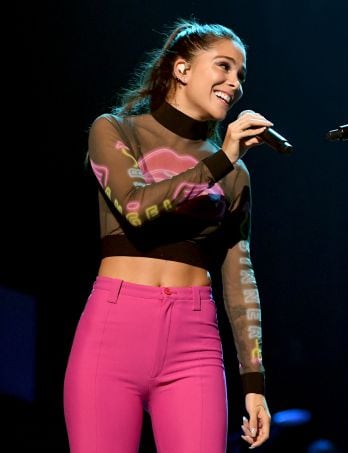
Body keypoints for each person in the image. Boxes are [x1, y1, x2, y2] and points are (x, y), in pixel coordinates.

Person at [64, 19, 272, 452]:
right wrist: (224, 159)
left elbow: (239, 278)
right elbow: (135, 208)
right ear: (181, 69)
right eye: (224, 67)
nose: (234, 84)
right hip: (114, 326)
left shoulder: (235, 173)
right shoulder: (116, 130)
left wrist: (254, 382)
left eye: (241, 76)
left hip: (194, 340)